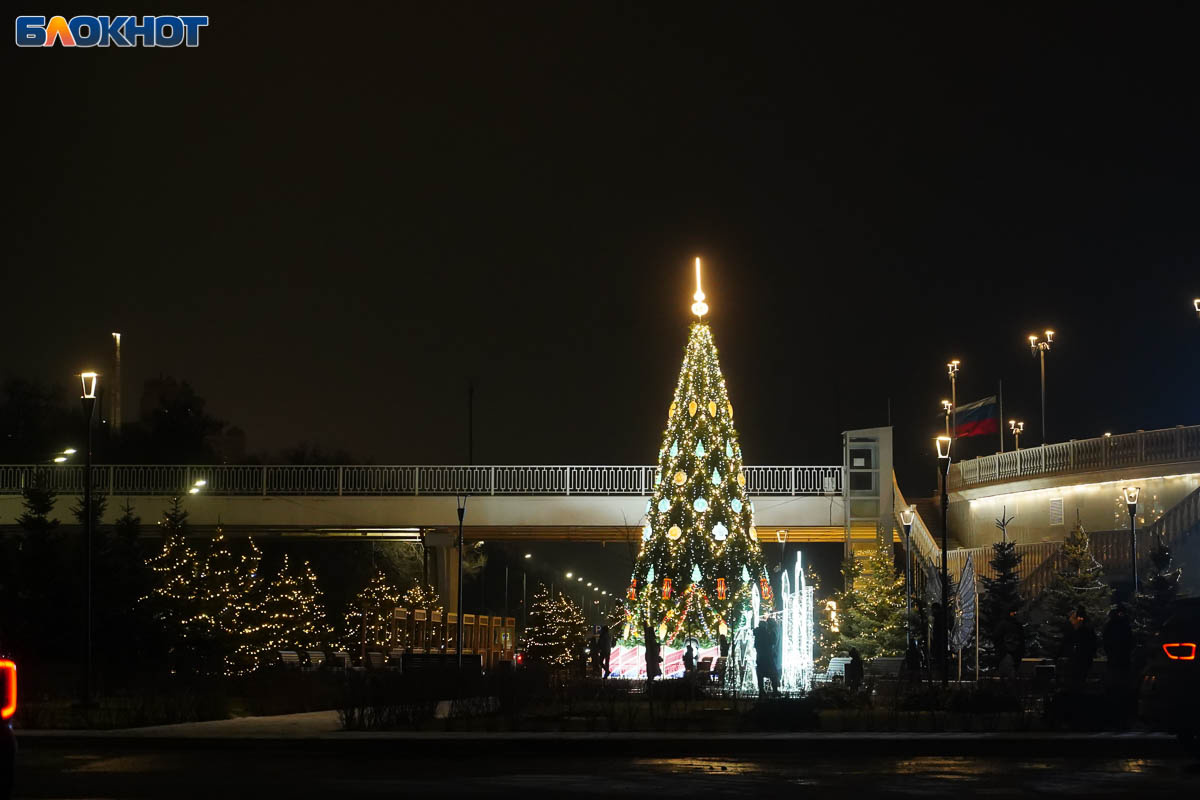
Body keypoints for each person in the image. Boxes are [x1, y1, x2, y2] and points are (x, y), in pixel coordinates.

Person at [1061, 606, 1097, 688]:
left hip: (1078, 657)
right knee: (1081, 676)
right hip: (1085, 656)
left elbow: (1067, 640)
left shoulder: (1078, 629)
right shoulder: (1088, 628)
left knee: (1077, 677)